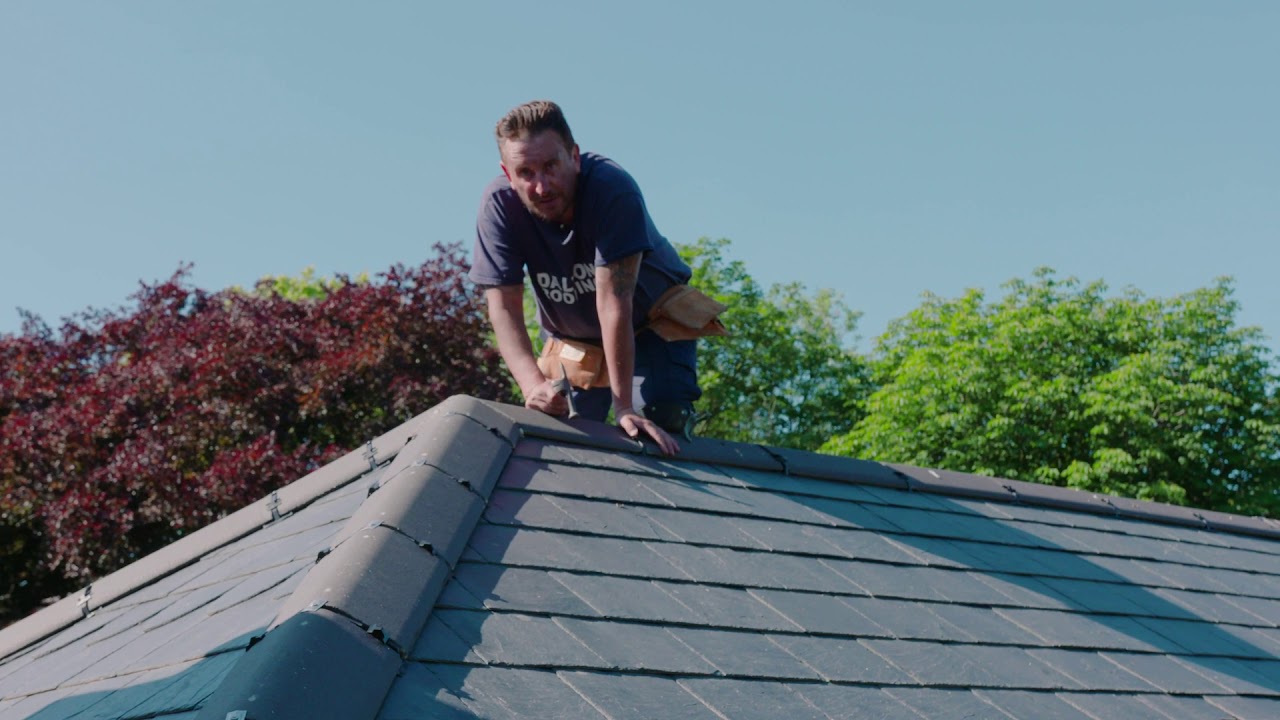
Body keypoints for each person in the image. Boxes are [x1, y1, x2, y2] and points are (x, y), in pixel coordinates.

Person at [469, 100, 699, 456]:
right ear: (507, 173)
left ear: (574, 156)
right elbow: (504, 309)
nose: (542, 187)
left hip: (650, 325)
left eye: (550, 166)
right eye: (526, 173)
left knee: (653, 429)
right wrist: (532, 387)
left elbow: (613, 305)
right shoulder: (499, 206)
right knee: (566, 439)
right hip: (572, 336)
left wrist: (624, 407)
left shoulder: (612, 189)